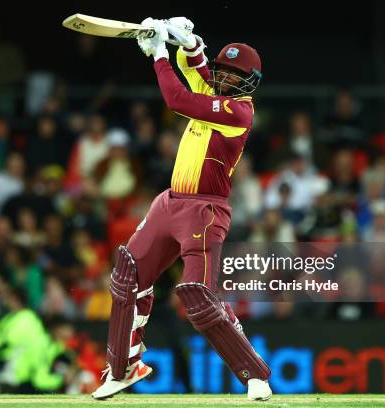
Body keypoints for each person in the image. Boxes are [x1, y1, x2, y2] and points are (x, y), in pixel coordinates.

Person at [91, 17, 271, 401]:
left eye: (234, 76)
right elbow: (197, 71)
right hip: (169, 202)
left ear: (249, 82)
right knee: (128, 275)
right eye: (222, 71)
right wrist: (187, 43)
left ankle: (255, 375)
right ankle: (123, 368)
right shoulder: (215, 91)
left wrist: (159, 54)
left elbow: (177, 98)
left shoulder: (240, 112)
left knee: (198, 297)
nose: (225, 79)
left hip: (205, 211)